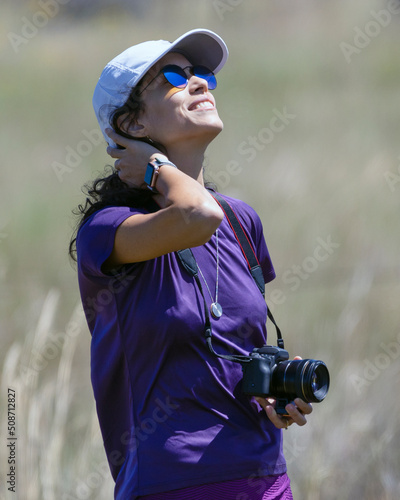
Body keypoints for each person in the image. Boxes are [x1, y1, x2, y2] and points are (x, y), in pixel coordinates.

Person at [69, 29, 313, 500]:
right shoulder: (109, 230)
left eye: (202, 74)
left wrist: (274, 387)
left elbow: (236, 342)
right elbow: (196, 217)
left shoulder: (242, 221)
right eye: (175, 77)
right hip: (172, 484)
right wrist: (157, 168)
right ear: (134, 125)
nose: (200, 82)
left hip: (265, 480)